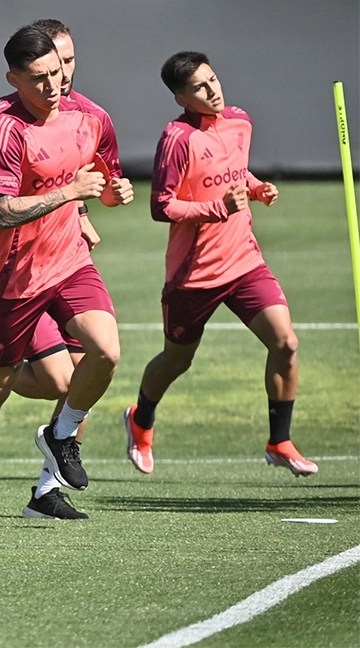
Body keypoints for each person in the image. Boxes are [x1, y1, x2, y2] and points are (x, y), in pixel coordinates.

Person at [0, 25, 132, 528]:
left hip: (70, 264)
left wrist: (106, 200)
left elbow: (104, 184)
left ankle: (57, 451)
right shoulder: (3, 125)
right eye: (42, 76)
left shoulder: (92, 118)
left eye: (63, 67)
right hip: (15, 276)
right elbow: (3, 209)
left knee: (104, 354)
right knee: (0, 388)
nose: (57, 82)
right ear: (14, 78)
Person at [123, 52, 318, 477]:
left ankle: (279, 440)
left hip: (244, 261)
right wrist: (217, 206)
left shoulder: (240, 121)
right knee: (177, 361)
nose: (213, 90)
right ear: (181, 97)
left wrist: (256, 187)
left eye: (213, 80)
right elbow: (161, 206)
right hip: (194, 275)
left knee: (285, 343)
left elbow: (236, 172)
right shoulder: (176, 139)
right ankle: (141, 418)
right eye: (199, 87)